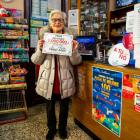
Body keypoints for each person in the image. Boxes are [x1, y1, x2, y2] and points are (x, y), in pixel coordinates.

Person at [31, 10, 82, 140]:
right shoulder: (44, 38)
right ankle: (51, 129)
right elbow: (35, 60)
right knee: (49, 107)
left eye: (60, 20)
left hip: (64, 80)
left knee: (64, 107)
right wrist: (40, 49)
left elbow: (76, 61)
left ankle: (62, 128)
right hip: (48, 80)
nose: (57, 22)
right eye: (54, 20)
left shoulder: (70, 40)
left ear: (64, 23)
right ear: (50, 22)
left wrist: (74, 51)